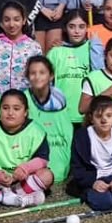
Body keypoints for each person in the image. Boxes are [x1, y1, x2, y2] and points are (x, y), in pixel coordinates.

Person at [0, 89, 53, 207]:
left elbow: (42, 159)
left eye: (16, 109)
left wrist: (25, 169)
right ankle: (9, 198)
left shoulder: (36, 131)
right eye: (5, 108)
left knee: (47, 175)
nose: (10, 113)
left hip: (23, 180)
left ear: (25, 112)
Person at [69, 95, 112, 210]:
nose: (104, 120)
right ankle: (87, 192)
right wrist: (92, 182)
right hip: (93, 177)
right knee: (104, 204)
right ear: (91, 118)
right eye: (99, 116)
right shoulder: (82, 137)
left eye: (108, 116)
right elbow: (77, 167)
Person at [48, 10, 102, 125]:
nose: (76, 31)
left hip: (87, 115)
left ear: (87, 28)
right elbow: (47, 84)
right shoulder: (55, 52)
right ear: (65, 28)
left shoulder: (92, 48)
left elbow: (99, 75)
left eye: (81, 27)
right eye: (72, 27)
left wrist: (96, 45)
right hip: (61, 115)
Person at [25, 56, 72, 184]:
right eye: (33, 73)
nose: (37, 77)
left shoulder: (59, 98)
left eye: (42, 72)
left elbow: (66, 133)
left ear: (51, 76)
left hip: (55, 145)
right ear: (28, 77)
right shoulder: (23, 98)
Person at [0, 1, 42, 94]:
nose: (11, 24)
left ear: (24, 20)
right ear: (1, 22)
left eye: (16, 19)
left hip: (23, 101)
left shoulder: (33, 47)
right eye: (7, 20)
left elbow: (38, 75)